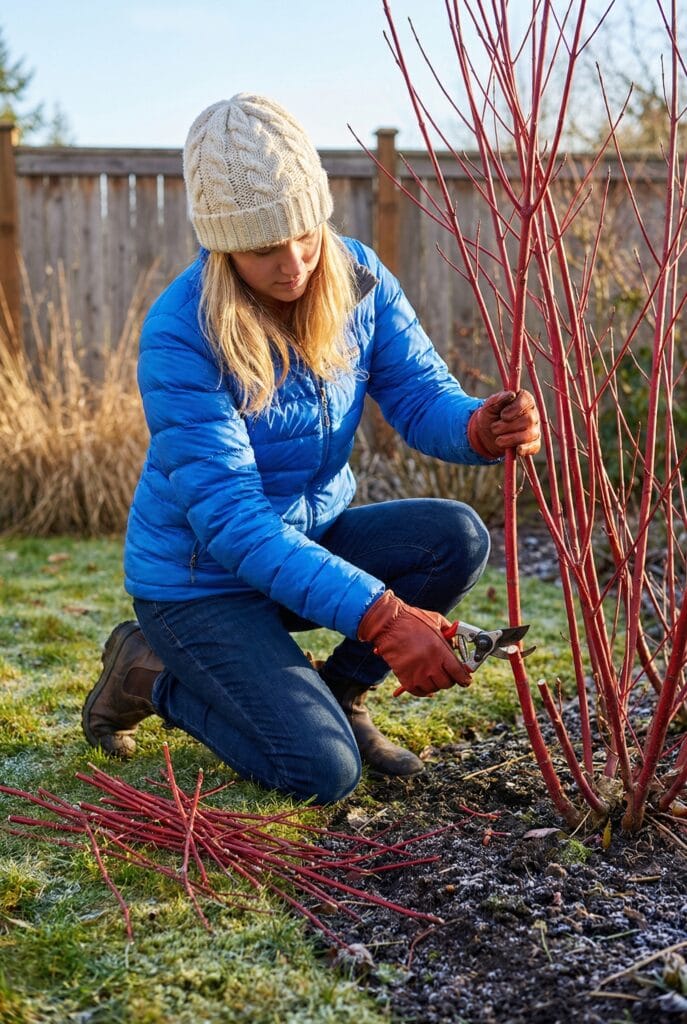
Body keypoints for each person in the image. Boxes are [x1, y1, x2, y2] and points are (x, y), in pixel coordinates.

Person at [81, 94, 540, 803]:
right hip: (201, 583)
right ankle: (147, 673)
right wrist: (384, 618)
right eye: (264, 248)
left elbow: (421, 395)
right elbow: (233, 523)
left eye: (303, 235)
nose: (293, 263)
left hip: (307, 540)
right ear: (224, 247)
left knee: (453, 537)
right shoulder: (183, 332)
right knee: (319, 773)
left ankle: (341, 696)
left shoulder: (356, 279)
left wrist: (478, 426)